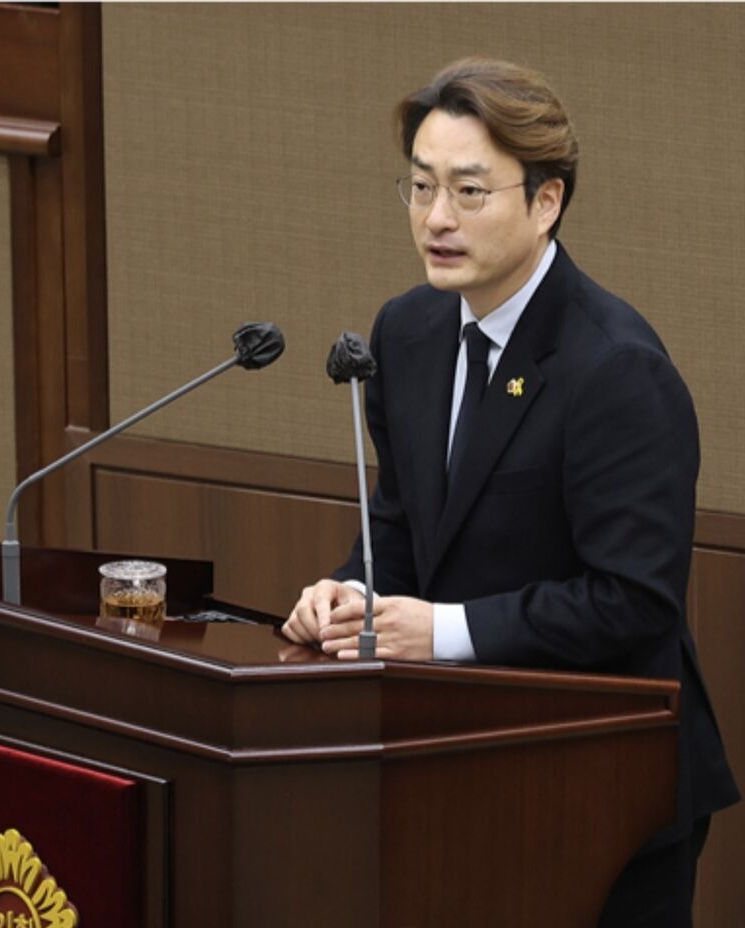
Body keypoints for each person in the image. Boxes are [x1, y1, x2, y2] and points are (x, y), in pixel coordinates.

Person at [281, 58, 739, 925]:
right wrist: (351, 593)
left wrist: (441, 632)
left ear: (546, 201)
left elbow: (633, 600)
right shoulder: (407, 331)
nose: (436, 219)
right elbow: (405, 524)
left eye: (468, 191)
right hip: (455, 766)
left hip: (601, 786)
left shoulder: (616, 369)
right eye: (420, 187)